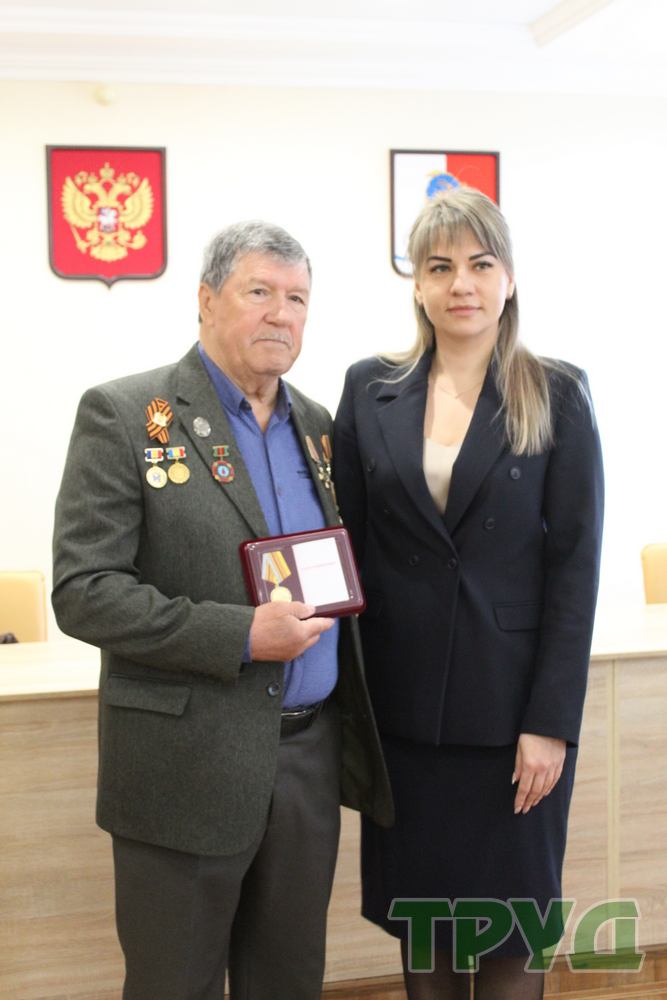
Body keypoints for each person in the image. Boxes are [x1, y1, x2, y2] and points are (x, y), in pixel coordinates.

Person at [52, 220, 393, 1000]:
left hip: (307, 761)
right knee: (177, 984)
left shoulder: (320, 427)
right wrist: (239, 634)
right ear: (206, 300)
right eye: (259, 292)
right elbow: (83, 590)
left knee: (289, 982)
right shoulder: (127, 414)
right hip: (186, 764)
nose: (281, 314)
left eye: (297, 298)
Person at [333, 188, 604, 1000]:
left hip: (511, 723)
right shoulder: (369, 389)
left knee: (509, 935)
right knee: (427, 940)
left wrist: (550, 724)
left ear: (508, 278)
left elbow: (575, 570)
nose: (461, 284)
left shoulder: (554, 391)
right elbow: (346, 546)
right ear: (416, 283)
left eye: (480, 265)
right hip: (405, 720)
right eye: (439, 266)